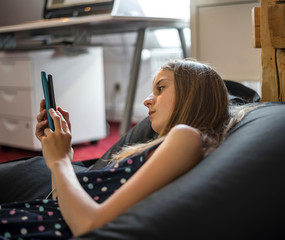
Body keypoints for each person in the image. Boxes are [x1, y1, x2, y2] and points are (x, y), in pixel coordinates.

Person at [0, 59, 243, 239]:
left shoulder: (186, 137)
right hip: (47, 216)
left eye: (160, 88)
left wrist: (60, 161)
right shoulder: (164, 145)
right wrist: (62, 152)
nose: (148, 100)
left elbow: (89, 226)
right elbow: (59, 201)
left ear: (193, 96)